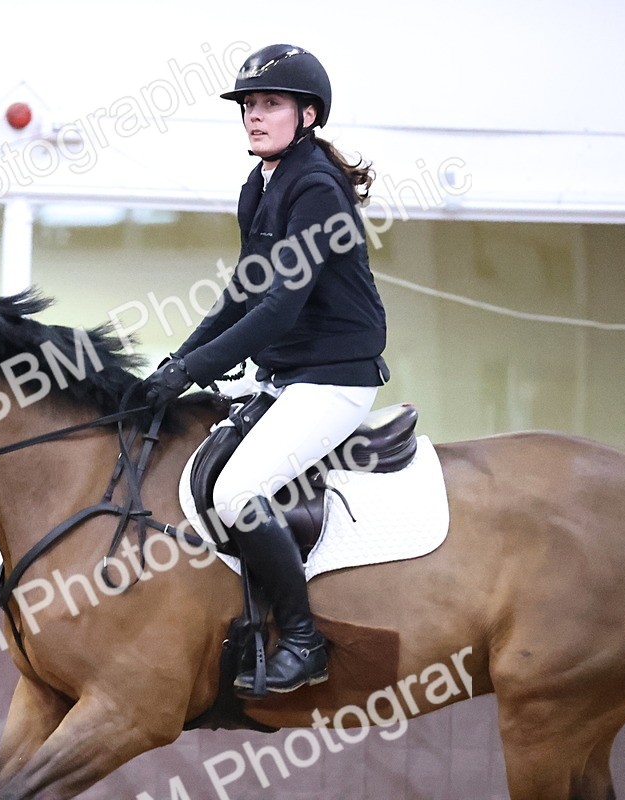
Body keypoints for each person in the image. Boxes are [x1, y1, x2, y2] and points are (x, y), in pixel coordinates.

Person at [141, 44, 389, 695]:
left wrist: (194, 368)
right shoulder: (262, 185)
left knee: (237, 494)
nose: (254, 116)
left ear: (308, 115)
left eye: (270, 104)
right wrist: (176, 364)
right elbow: (242, 293)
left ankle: (303, 640)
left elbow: (279, 311)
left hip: (334, 380)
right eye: (249, 105)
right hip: (286, 378)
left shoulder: (315, 190)